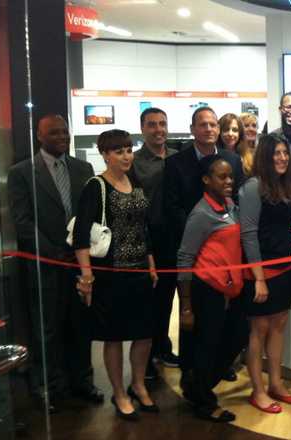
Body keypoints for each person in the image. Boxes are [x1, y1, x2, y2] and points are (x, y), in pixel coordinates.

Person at [8, 114, 102, 413]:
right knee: (46, 326)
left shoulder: (83, 169)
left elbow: (89, 215)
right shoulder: (22, 173)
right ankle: (47, 385)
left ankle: (82, 381)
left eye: (65, 131)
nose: (62, 136)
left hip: (79, 262)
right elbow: (23, 222)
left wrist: (79, 250)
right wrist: (51, 252)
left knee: (80, 323)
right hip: (44, 264)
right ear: (39, 135)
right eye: (54, 132)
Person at [72, 129, 158, 421]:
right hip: (110, 276)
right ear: (105, 154)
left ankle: (138, 384)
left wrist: (150, 262)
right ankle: (119, 393)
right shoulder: (95, 187)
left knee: (145, 334)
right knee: (114, 337)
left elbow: (143, 227)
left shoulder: (134, 181)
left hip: (139, 272)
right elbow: (82, 235)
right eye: (118, 151)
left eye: (128, 150)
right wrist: (86, 277)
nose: (126, 156)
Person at [163, 107, 245, 390]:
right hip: (191, 251)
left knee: (221, 320)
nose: (209, 129)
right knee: (193, 319)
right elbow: (171, 206)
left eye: (213, 124)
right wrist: (200, 232)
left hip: (224, 256)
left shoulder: (232, 160)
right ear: (193, 128)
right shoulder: (176, 163)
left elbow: (237, 201)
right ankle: (191, 372)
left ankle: (216, 367)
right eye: (203, 124)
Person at [176, 154, 243, 423]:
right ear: (206, 180)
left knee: (236, 336)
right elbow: (184, 258)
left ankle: (197, 386)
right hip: (206, 289)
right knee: (207, 344)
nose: (229, 181)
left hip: (229, 288)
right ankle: (204, 400)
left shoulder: (229, 205)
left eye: (230, 176)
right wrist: (187, 305)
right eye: (222, 177)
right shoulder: (201, 214)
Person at [240, 134, 291, 414]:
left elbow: (278, 225)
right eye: (276, 153)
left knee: (279, 324)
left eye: (285, 153)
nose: (282, 158)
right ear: (265, 156)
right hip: (260, 271)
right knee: (259, 329)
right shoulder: (253, 187)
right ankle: (258, 390)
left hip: (285, 265)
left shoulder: (284, 186)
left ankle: (276, 383)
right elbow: (249, 234)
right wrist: (260, 278)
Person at [129, 108, 180, 379]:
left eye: (162, 123)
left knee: (168, 298)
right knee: (149, 301)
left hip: (175, 240)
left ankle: (163, 347)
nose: (158, 129)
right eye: (152, 125)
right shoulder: (134, 162)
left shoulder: (177, 158)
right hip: (148, 241)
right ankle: (146, 359)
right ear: (142, 129)